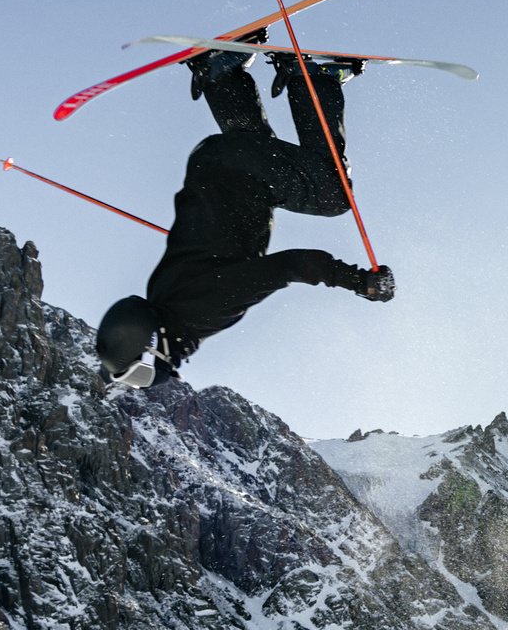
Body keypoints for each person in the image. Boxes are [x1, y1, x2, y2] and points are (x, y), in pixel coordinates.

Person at [94, 39, 395, 388]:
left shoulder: (200, 313)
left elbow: (290, 266)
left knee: (333, 195)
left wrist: (361, 283)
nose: (162, 377)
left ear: (150, 346)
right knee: (256, 147)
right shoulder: (163, 295)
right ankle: (221, 74)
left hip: (239, 173)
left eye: (142, 375)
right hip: (216, 163)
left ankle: (315, 79)